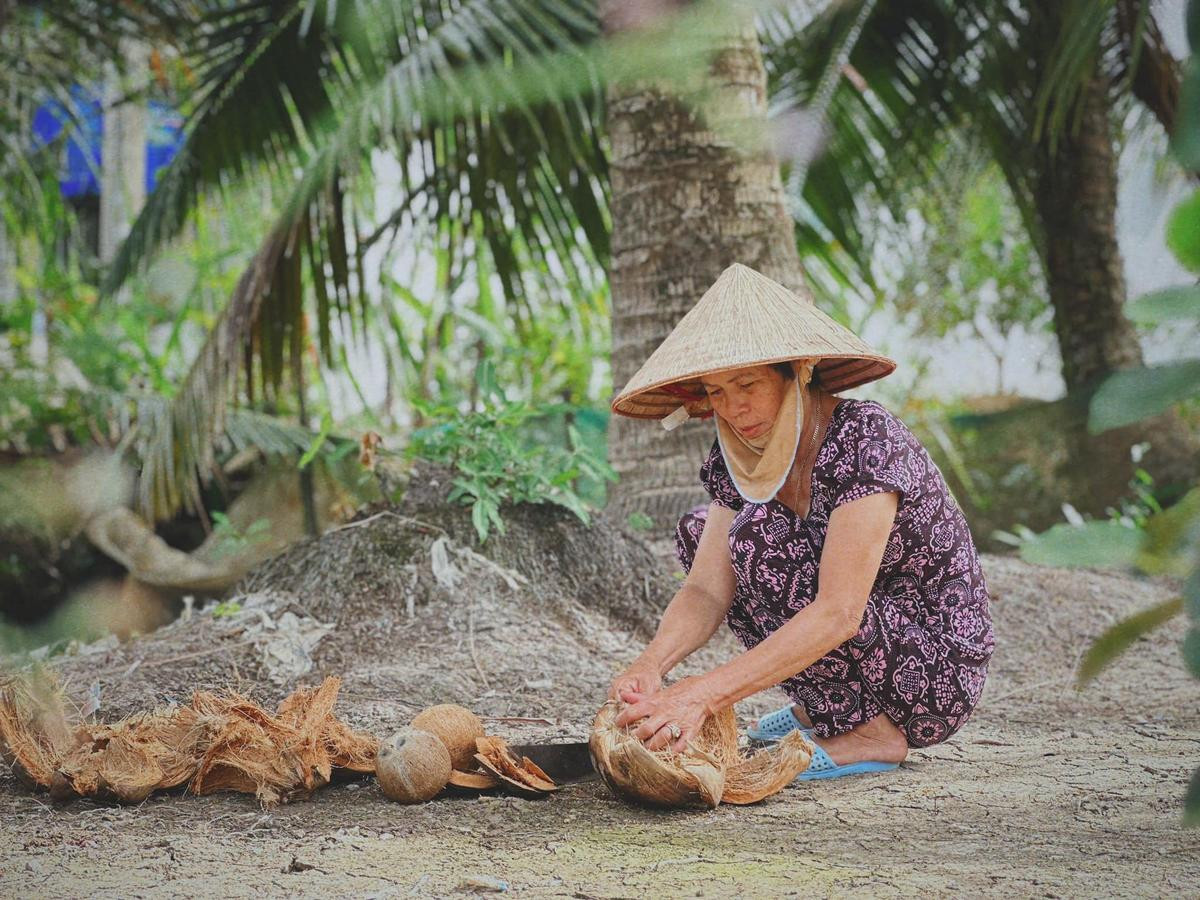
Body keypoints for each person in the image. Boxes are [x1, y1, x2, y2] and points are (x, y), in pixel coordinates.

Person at [607, 263, 994, 779]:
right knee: (706, 532)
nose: (734, 408)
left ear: (799, 371)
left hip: (934, 666)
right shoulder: (737, 453)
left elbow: (839, 613)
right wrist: (652, 666)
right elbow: (705, 590)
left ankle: (873, 733)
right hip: (872, 647)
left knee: (759, 540)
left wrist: (698, 698)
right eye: (716, 392)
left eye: (747, 383)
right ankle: (834, 712)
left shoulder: (866, 441)